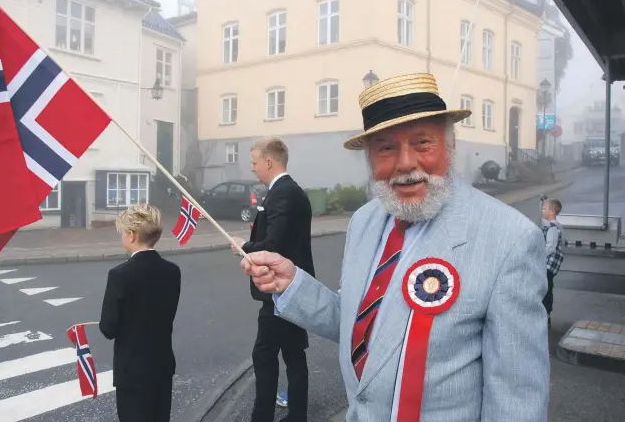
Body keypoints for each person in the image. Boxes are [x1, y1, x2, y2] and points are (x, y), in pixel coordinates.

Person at [242, 73, 549, 422]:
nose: (405, 163)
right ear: (371, 159)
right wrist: (293, 283)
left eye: (422, 143)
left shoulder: (510, 238)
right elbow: (362, 325)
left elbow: (516, 403)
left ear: (450, 147)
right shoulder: (364, 221)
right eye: (387, 147)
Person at [231, 137, 314, 422]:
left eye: (254, 162)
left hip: (281, 289)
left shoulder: (283, 193)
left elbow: (275, 243)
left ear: (268, 161)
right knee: (292, 353)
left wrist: (245, 246)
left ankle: (263, 416)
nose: (253, 168)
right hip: (292, 286)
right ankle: (297, 414)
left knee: (265, 355)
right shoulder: (288, 191)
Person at [99, 204, 181, 422]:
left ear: (132, 235)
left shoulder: (119, 275)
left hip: (132, 370)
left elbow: (108, 328)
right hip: (161, 364)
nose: (122, 238)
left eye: (123, 233)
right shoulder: (172, 271)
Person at [541, 197, 565, 326]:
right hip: (548, 264)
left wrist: (538, 255)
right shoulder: (552, 225)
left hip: (549, 264)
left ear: (552, 212)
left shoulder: (553, 228)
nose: (542, 210)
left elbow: (550, 247)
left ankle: (546, 315)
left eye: (544, 208)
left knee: (546, 289)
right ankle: (545, 314)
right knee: (546, 288)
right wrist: (543, 201)